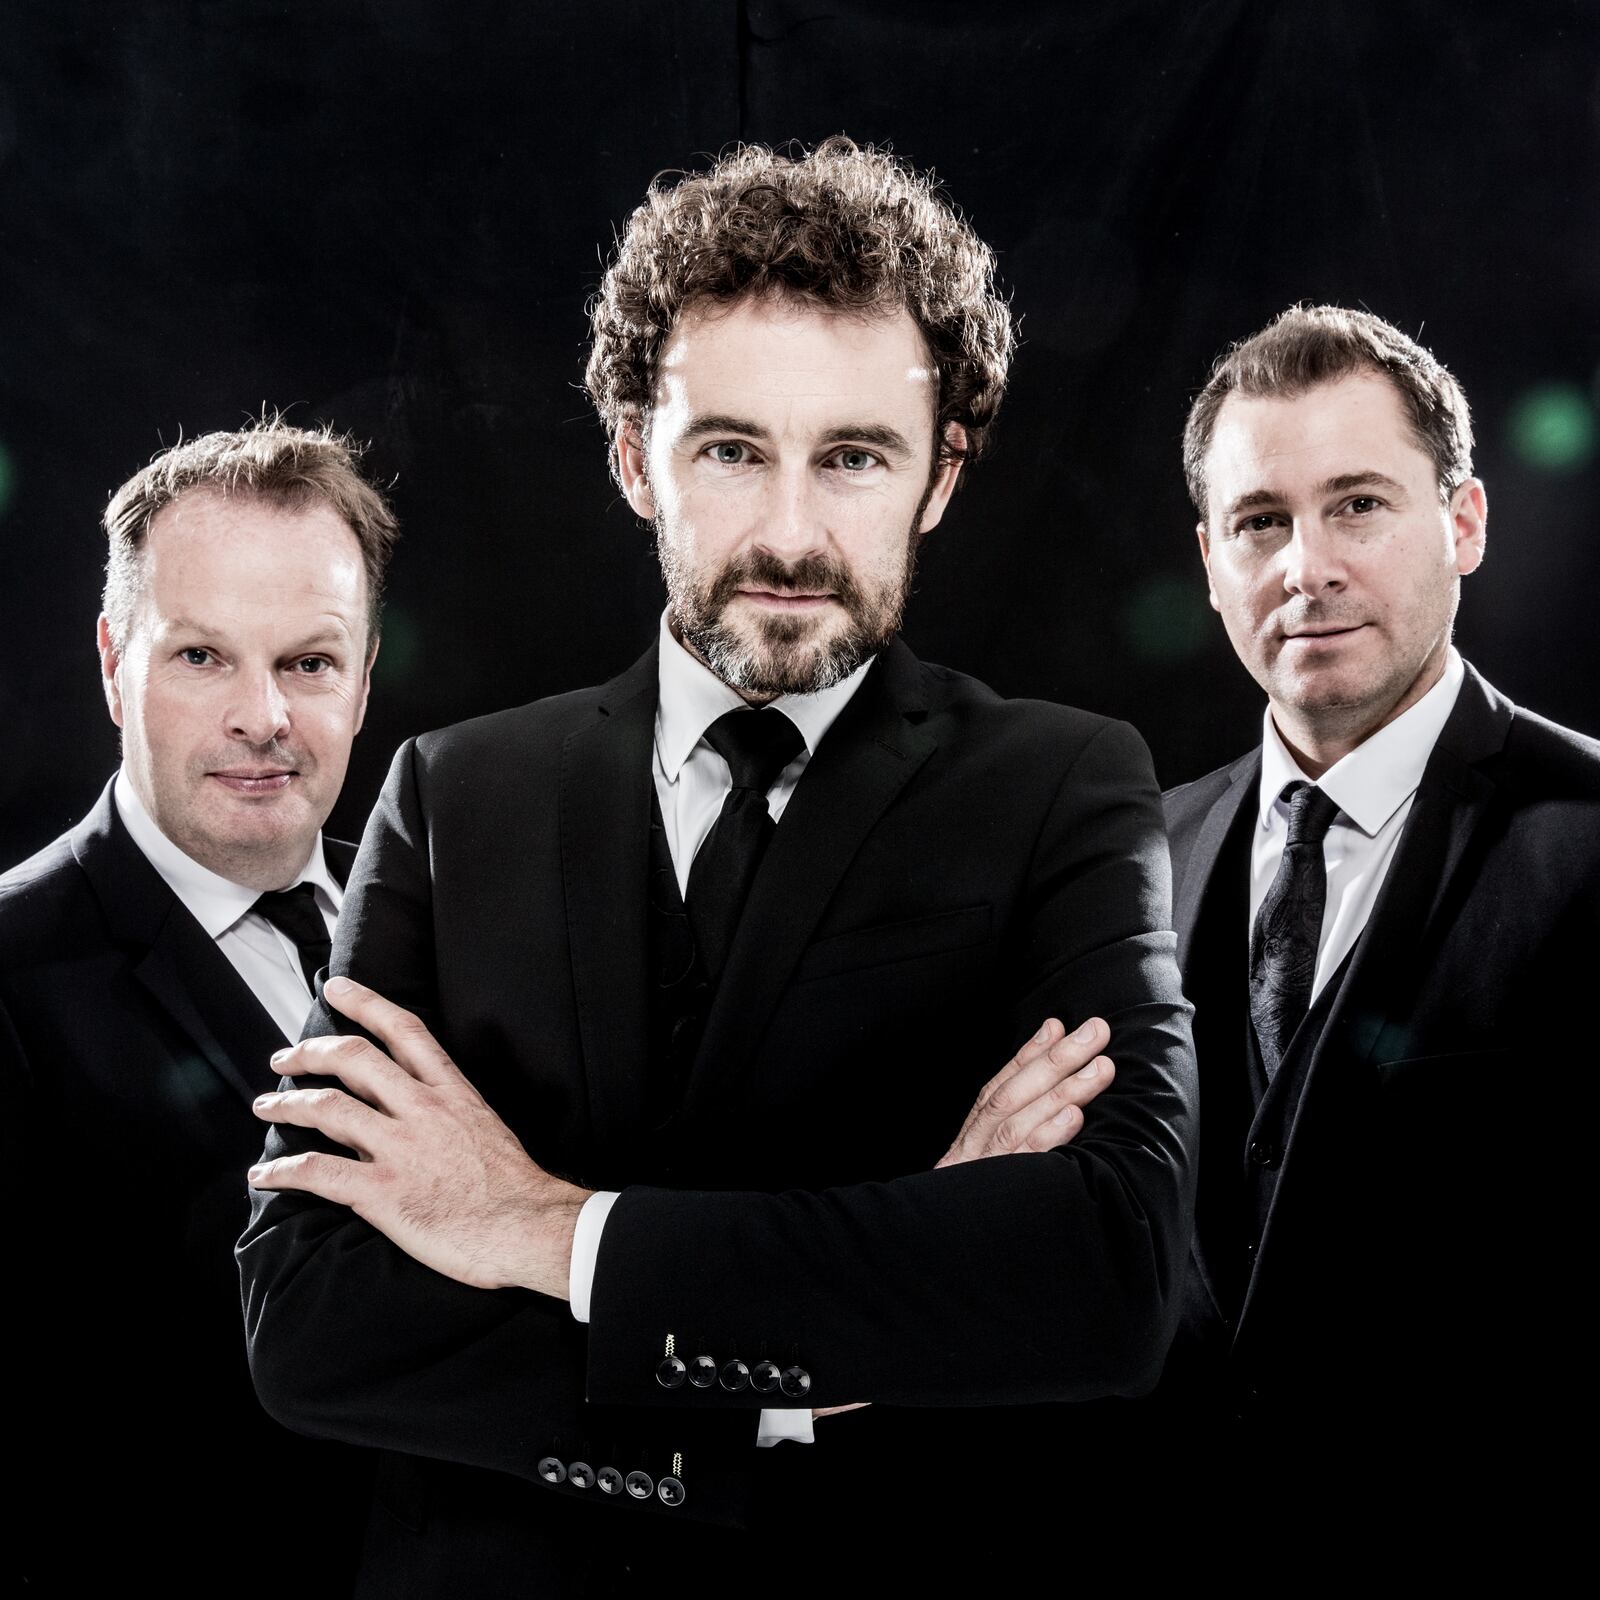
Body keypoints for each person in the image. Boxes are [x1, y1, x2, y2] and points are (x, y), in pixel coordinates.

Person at [238, 139, 1197, 1596]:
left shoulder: (1068, 784)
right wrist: (817, 1368)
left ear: (941, 475)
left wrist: (536, 1229)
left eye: (856, 458)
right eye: (732, 451)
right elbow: (307, 1312)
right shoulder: (452, 791)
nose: (793, 535)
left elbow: (1113, 1271)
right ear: (635, 455)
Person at [1159, 304, 1598, 1551]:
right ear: (1208, 561)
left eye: (1357, 504)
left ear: (1462, 524)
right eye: (1260, 522)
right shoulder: (1131, 856)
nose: (1307, 565)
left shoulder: (1588, 840)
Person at [0, 420, 397, 1593]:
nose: (263, 716)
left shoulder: (459, 932)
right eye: (201, 658)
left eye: (309, 663)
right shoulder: (10, 981)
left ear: (366, 678)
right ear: (113, 659)